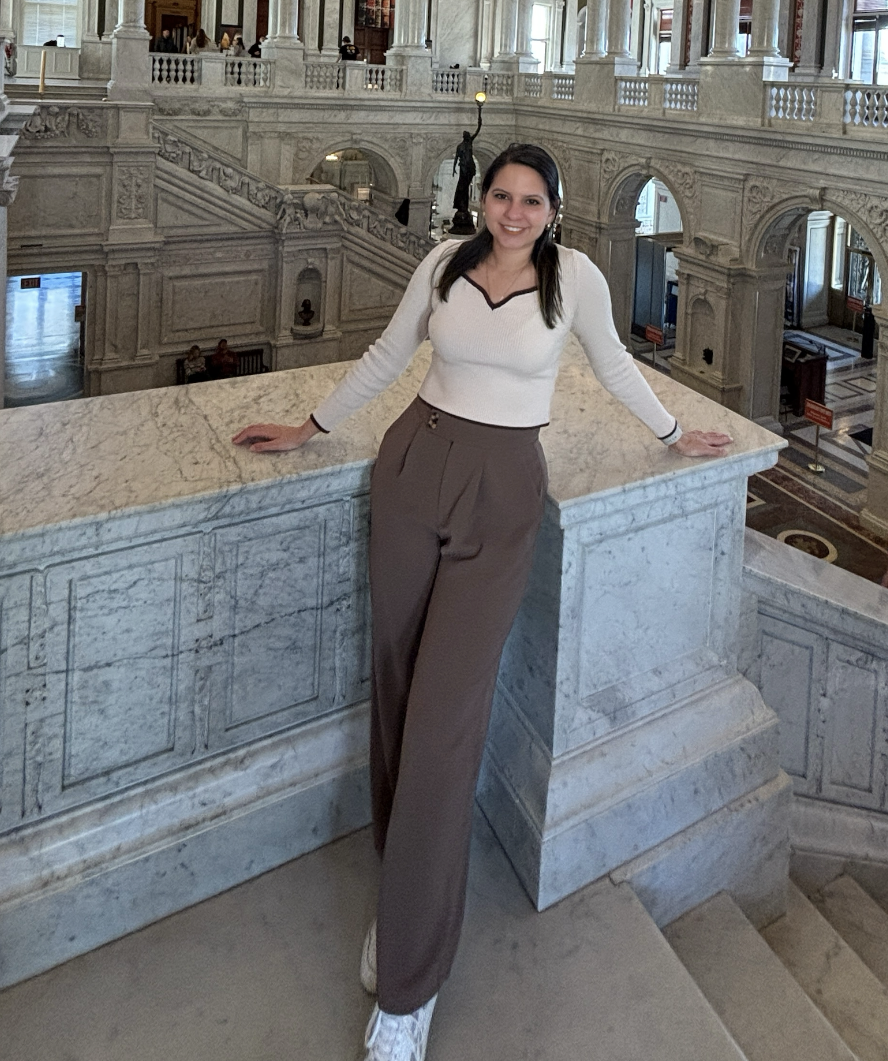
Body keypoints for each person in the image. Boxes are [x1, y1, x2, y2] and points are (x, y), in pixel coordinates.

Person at [232, 144, 731, 1061]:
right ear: (481, 200)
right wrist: (308, 429)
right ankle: (404, 892)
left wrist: (672, 431)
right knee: (394, 684)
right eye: (499, 195)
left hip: (503, 492)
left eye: (529, 200)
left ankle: (411, 987)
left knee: (446, 720)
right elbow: (389, 354)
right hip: (414, 465)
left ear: (554, 207)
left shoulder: (573, 279)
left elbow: (616, 365)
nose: (512, 211)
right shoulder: (443, 262)